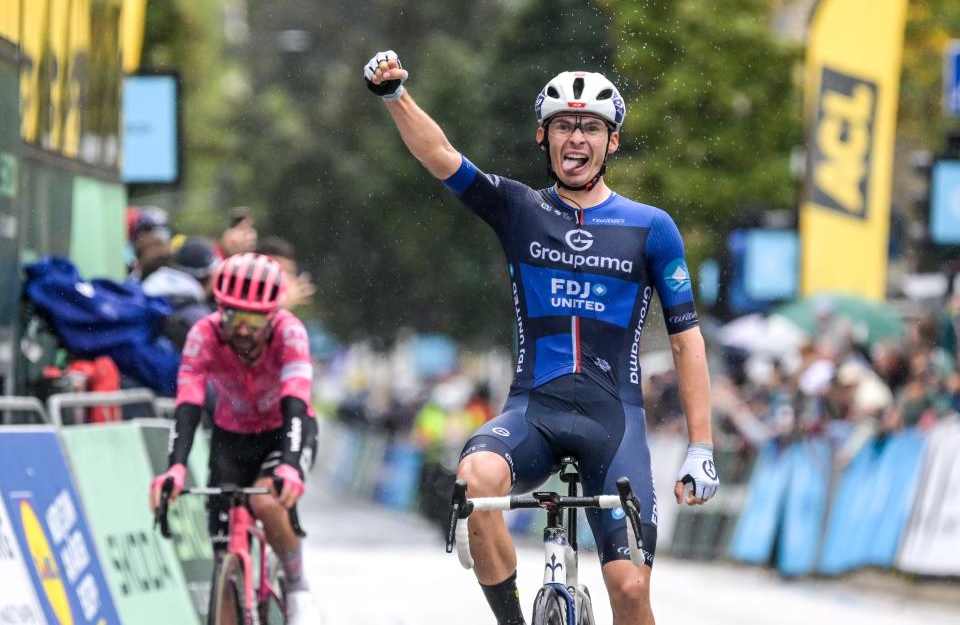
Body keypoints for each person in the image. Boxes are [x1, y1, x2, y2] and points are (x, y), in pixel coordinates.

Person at [365, 50, 718, 624]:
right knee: (474, 480)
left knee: (630, 590)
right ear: (543, 137)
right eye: (563, 126)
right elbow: (441, 156)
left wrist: (701, 447)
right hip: (535, 411)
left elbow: (687, 341)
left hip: (614, 422)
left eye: (591, 128)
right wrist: (395, 96)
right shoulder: (519, 208)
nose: (576, 138)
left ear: (612, 142)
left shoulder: (652, 227)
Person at [148, 252, 321, 624]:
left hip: (283, 430)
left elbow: (296, 400)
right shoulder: (204, 334)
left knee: (267, 503)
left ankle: (297, 586)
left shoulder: (290, 332)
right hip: (232, 434)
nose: (242, 329)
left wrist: (290, 466)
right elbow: (188, 403)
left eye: (253, 319)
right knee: (222, 548)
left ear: (272, 315)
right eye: (232, 316)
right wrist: (175, 468)